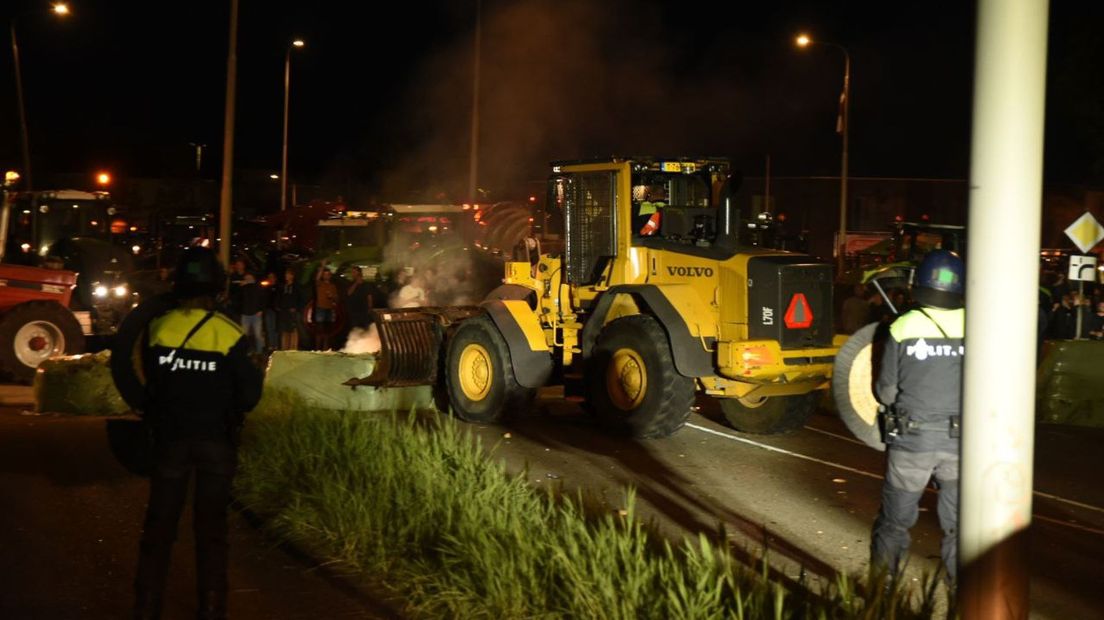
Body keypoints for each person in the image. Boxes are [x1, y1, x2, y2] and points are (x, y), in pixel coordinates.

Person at [128, 246, 263, 619]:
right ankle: (212, 607)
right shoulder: (228, 333)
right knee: (212, 532)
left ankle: (146, 606)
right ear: (218, 287)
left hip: (170, 441)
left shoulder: (159, 328)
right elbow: (250, 395)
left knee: (159, 529)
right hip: (216, 444)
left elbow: (147, 380)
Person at [870, 249, 965, 590]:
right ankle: (963, 604)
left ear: (919, 283)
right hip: (960, 445)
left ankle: (883, 600)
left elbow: (886, 392)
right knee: (959, 528)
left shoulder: (902, 326)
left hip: (913, 442)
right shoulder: (977, 326)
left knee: (894, 524)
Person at [274, 267, 302, 350]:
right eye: (285, 274)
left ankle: (293, 349)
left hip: (292, 312)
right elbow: (278, 297)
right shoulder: (282, 286)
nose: (286, 276)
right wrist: (277, 306)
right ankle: (284, 349)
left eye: (288, 274)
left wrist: (296, 308)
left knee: (293, 330)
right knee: (284, 330)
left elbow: (301, 299)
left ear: (292, 276)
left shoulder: (296, 286)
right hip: (283, 311)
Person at [313, 262, 338, 350]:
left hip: (329, 309)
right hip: (320, 308)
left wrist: (332, 297)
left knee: (328, 331)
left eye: (328, 274)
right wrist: (322, 267)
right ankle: (317, 349)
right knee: (319, 330)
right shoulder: (320, 283)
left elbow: (336, 299)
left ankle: (326, 349)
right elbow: (317, 278)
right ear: (323, 276)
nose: (326, 276)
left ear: (330, 276)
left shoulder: (333, 286)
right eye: (325, 274)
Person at [238, 272, 266, 355]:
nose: (247, 279)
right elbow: (238, 298)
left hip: (256, 314)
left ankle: (259, 352)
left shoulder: (258, 286)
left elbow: (263, 298)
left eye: (249, 277)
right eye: (246, 277)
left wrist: (261, 310)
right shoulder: (243, 287)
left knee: (258, 335)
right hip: (245, 314)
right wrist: (241, 287)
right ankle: (246, 351)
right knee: (244, 335)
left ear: (253, 277)